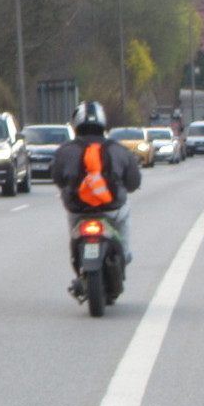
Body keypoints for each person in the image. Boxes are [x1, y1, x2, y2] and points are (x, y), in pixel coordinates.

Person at [48, 101, 141, 294]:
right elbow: (133, 183)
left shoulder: (65, 151)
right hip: (113, 210)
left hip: (78, 211)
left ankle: (79, 256)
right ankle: (124, 254)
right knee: (125, 216)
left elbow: (58, 179)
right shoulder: (118, 149)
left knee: (74, 230)